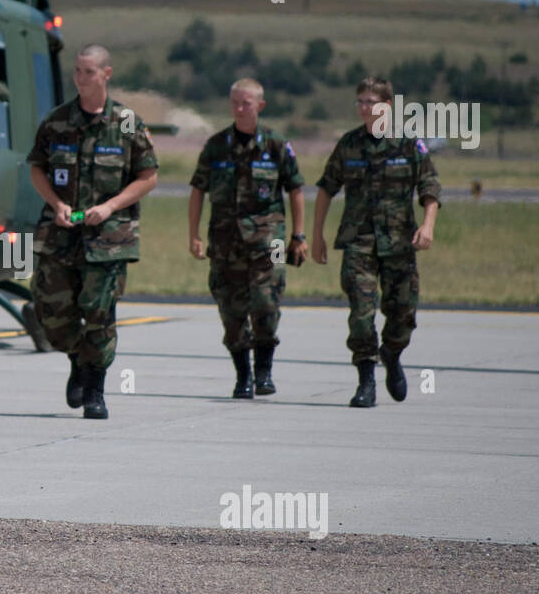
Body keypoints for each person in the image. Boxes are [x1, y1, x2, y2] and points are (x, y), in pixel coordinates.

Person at [27, 43, 158, 419]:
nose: (81, 78)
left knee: (99, 312)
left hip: (108, 238)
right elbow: (37, 168)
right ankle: (76, 359)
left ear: (106, 74)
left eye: (89, 71)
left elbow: (148, 176)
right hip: (60, 233)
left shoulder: (128, 122)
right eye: (77, 71)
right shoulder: (57, 120)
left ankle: (95, 391)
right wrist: (57, 204)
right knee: (50, 311)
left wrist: (110, 207)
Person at [312, 76, 441, 407]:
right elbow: (327, 187)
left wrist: (427, 226)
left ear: (388, 106)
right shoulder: (349, 144)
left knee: (403, 314)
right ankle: (366, 380)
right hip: (359, 243)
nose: (364, 108)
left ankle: (392, 354)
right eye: (360, 102)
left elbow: (430, 188)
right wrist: (316, 236)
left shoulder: (409, 144)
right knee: (361, 313)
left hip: (399, 243)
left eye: (371, 101)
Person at [189, 79, 306, 398]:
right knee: (231, 312)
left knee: (267, 305)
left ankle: (264, 372)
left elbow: (295, 189)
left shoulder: (276, 145)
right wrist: (194, 236)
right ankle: (243, 376)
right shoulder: (216, 146)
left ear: (260, 106)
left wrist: (299, 235)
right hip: (225, 244)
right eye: (235, 103)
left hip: (272, 244)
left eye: (246, 103)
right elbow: (198, 189)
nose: (239, 108)